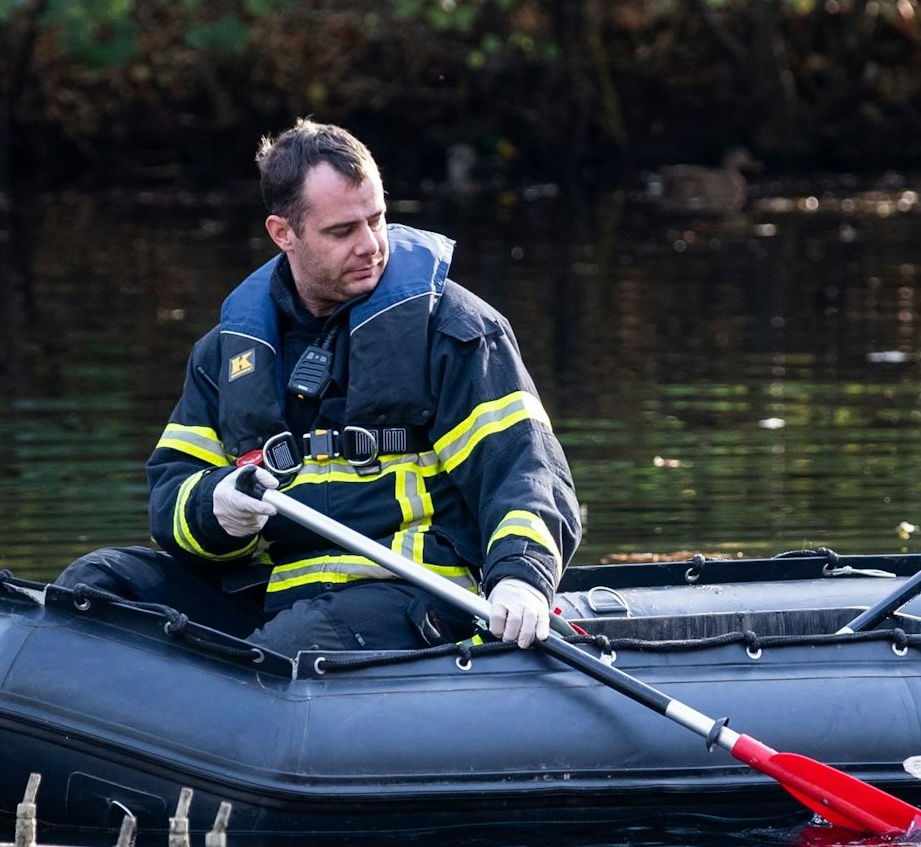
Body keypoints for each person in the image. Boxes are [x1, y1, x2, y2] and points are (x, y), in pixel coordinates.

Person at [58, 119, 581, 652]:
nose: (371, 246)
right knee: (92, 583)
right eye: (342, 231)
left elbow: (525, 473)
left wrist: (521, 577)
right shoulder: (226, 353)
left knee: (290, 647)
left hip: (412, 594)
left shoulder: (455, 330)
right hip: (273, 597)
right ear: (283, 233)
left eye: (376, 220)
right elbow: (171, 493)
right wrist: (218, 507)